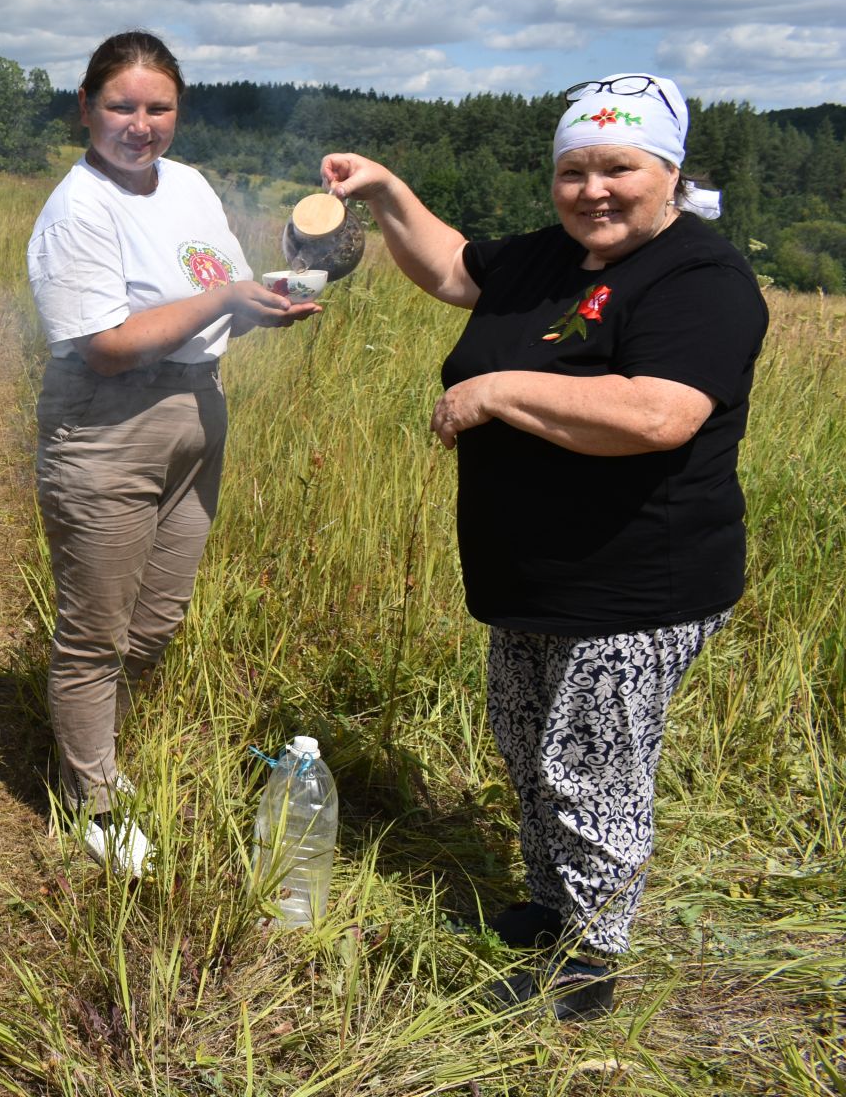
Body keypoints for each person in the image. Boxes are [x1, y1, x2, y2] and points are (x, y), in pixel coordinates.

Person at [322, 72, 768, 1021]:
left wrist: (494, 392)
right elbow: (451, 267)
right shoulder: (549, 257)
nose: (594, 191)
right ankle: (552, 906)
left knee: (591, 767)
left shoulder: (701, 277)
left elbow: (658, 413)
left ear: (671, 172)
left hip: (636, 582)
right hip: (533, 576)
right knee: (529, 748)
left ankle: (592, 964)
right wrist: (388, 191)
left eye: (619, 168)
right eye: (574, 171)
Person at [27, 31, 318, 877]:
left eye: (159, 108)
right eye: (121, 106)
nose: (140, 124)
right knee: (96, 633)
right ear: (86, 108)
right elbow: (108, 344)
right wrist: (225, 295)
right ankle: (94, 801)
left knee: (157, 619)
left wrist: (262, 303)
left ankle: (94, 744)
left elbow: (210, 290)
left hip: (197, 411)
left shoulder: (188, 185)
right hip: (108, 425)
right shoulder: (78, 208)